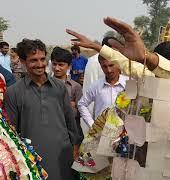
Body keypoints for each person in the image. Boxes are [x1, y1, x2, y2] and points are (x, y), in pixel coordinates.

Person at [66, 17, 170, 150]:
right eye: (159, 73)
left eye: (168, 71)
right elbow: (127, 64)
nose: (164, 77)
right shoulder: (152, 77)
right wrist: (98, 47)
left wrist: (149, 59)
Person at [5, 39, 82, 180]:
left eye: (42, 59)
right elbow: (12, 132)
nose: (40, 64)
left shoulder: (59, 87)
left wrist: (75, 148)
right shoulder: (13, 92)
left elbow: (70, 121)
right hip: (32, 160)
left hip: (62, 156)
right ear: (22, 61)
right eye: (33, 60)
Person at [78, 54, 128, 127]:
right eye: (104, 67)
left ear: (118, 64)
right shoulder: (96, 86)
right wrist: (92, 124)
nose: (108, 70)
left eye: (111, 65)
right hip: (102, 134)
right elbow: (81, 104)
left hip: (126, 132)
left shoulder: (129, 83)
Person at [51, 46, 84, 140]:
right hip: (51, 131)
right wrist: (69, 105)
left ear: (69, 66)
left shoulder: (75, 87)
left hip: (71, 133)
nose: (57, 68)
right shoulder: (45, 85)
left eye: (61, 65)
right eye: (54, 64)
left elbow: (80, 112)